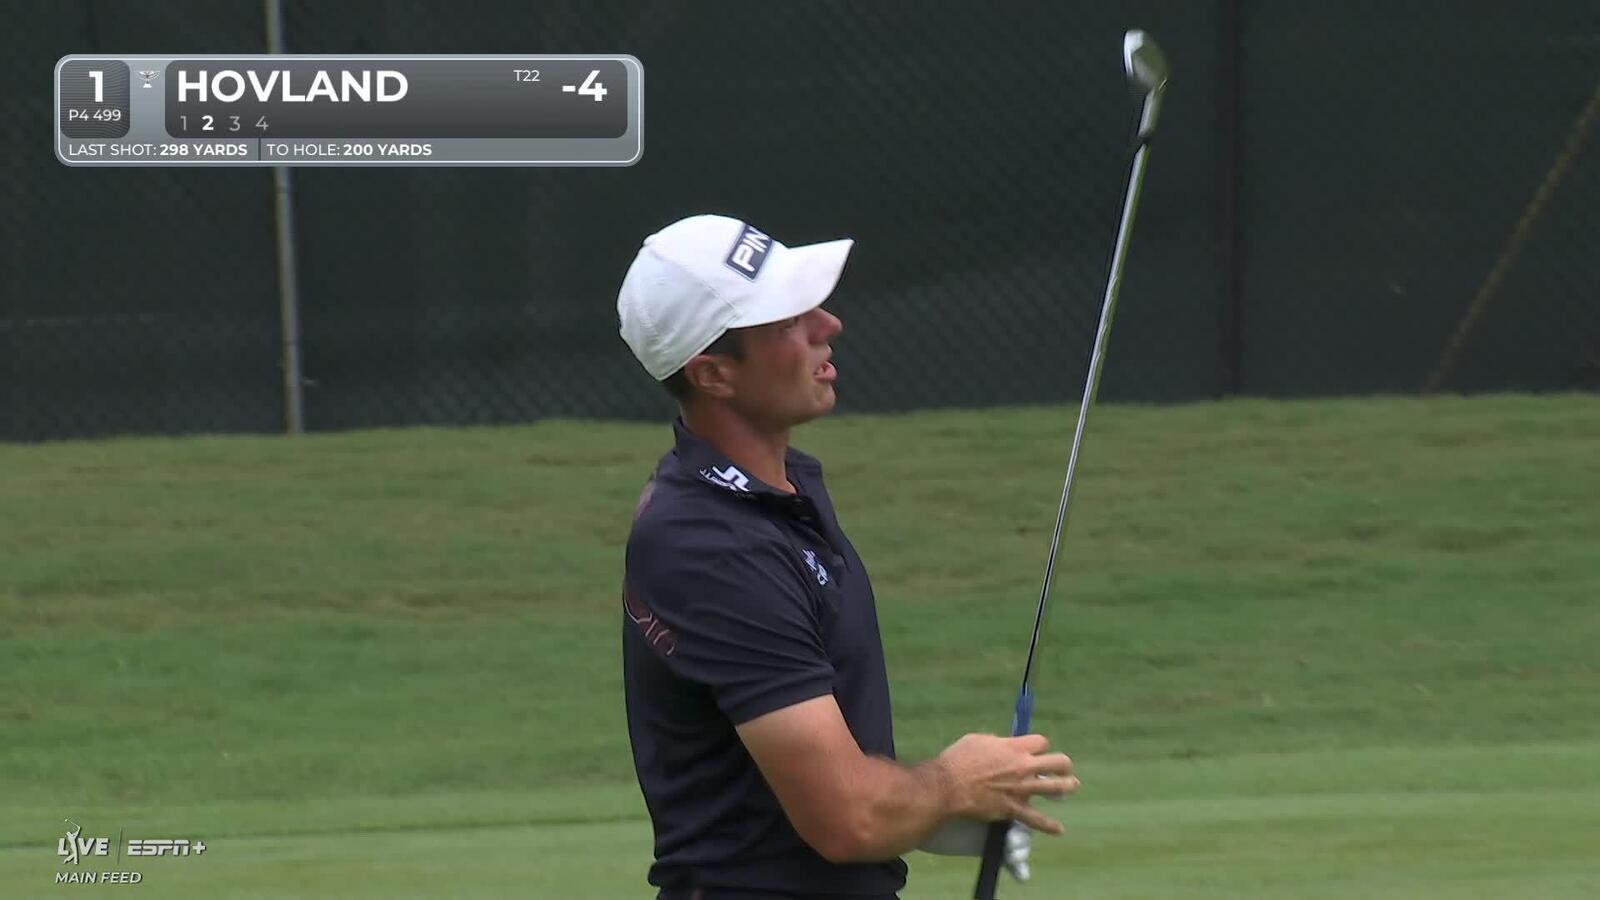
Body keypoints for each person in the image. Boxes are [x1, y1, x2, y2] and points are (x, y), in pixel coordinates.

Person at [616, 214, 1079, 899]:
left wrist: (928, 816)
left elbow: (791, 790)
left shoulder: (778, 496)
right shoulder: (710, 544)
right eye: (786, 321)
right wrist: (952, 783)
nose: (826, 324)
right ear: (713, 374)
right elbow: (847, 819)